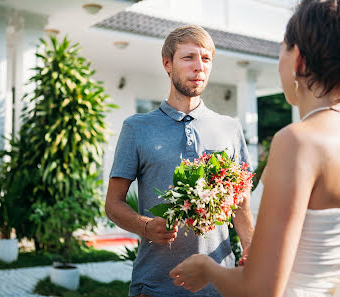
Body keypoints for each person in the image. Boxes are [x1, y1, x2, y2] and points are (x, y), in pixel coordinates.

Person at [169, 1, 340, 296]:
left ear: (297, 60)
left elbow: (261, 289)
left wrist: (207, 269)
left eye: (282, 49)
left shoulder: (297, 141)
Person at [105, 25, 255, 297]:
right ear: (167, 64)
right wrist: (146, 226)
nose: (199, 67)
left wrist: (250, 247)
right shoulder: (137, 128)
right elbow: (113, 204)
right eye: (188, 57)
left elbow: (240, 201)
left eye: (206, 58)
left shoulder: (230, 128)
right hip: (154, 286)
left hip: (220, 285)